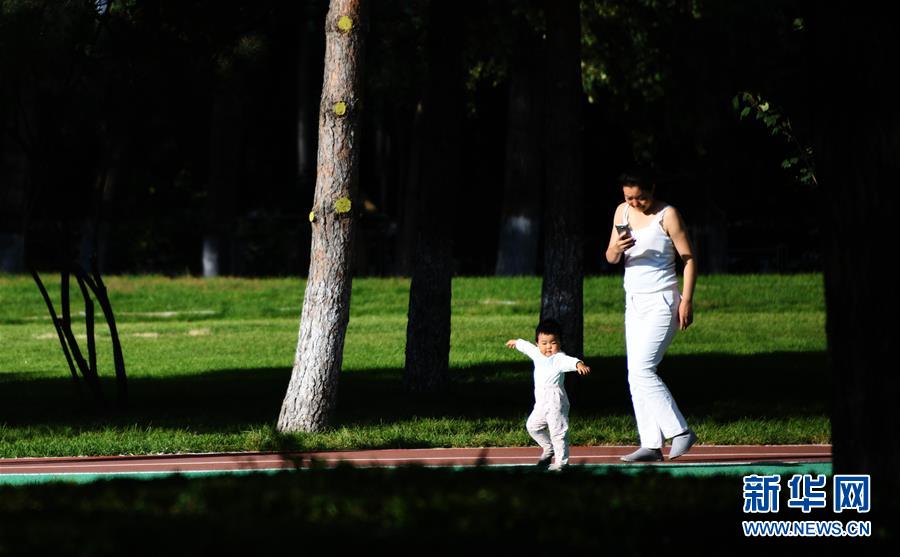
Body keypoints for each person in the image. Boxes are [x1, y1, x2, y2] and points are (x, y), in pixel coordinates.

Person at [605, 168, 698, 462]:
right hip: (633, 301)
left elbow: (689, 259)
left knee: (643, 369)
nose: (635, 203)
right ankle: (650, 443)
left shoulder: (667, 215)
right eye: (629, 197)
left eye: (641, 198)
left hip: (662, 301)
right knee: (634, 374)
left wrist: (686, 300)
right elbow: (610, 257)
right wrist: (616, 248)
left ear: (652, 189)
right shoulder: (622, 212)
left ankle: (680, 431)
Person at [506, 319, 591, 471]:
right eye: (544, 343)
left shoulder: (558, 358)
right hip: (541, 401)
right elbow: (527, 347)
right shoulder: (537, 353)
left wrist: (579, 364)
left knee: (558, 432)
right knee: (533, 426)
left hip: (555, 400)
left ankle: (562, 463)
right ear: (537, 343)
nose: (548, 347)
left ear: (560, 343)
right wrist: (516, 342)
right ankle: (548, 448)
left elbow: (570, 361)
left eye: (553, 342)